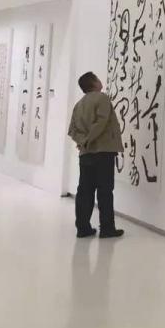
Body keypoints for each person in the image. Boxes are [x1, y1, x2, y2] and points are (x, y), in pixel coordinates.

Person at [68, 71, 125, 240]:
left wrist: (83, 142)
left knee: (84, 191)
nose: (101, 81)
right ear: (94, 83)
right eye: (98, 79)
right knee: (105, 191)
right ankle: (107, 228)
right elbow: (101, 122)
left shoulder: (78, 105)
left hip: (85, 154)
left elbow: (72, 130)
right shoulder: (102, 98)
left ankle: (83, 228)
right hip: (103, 151)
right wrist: (88, 140)